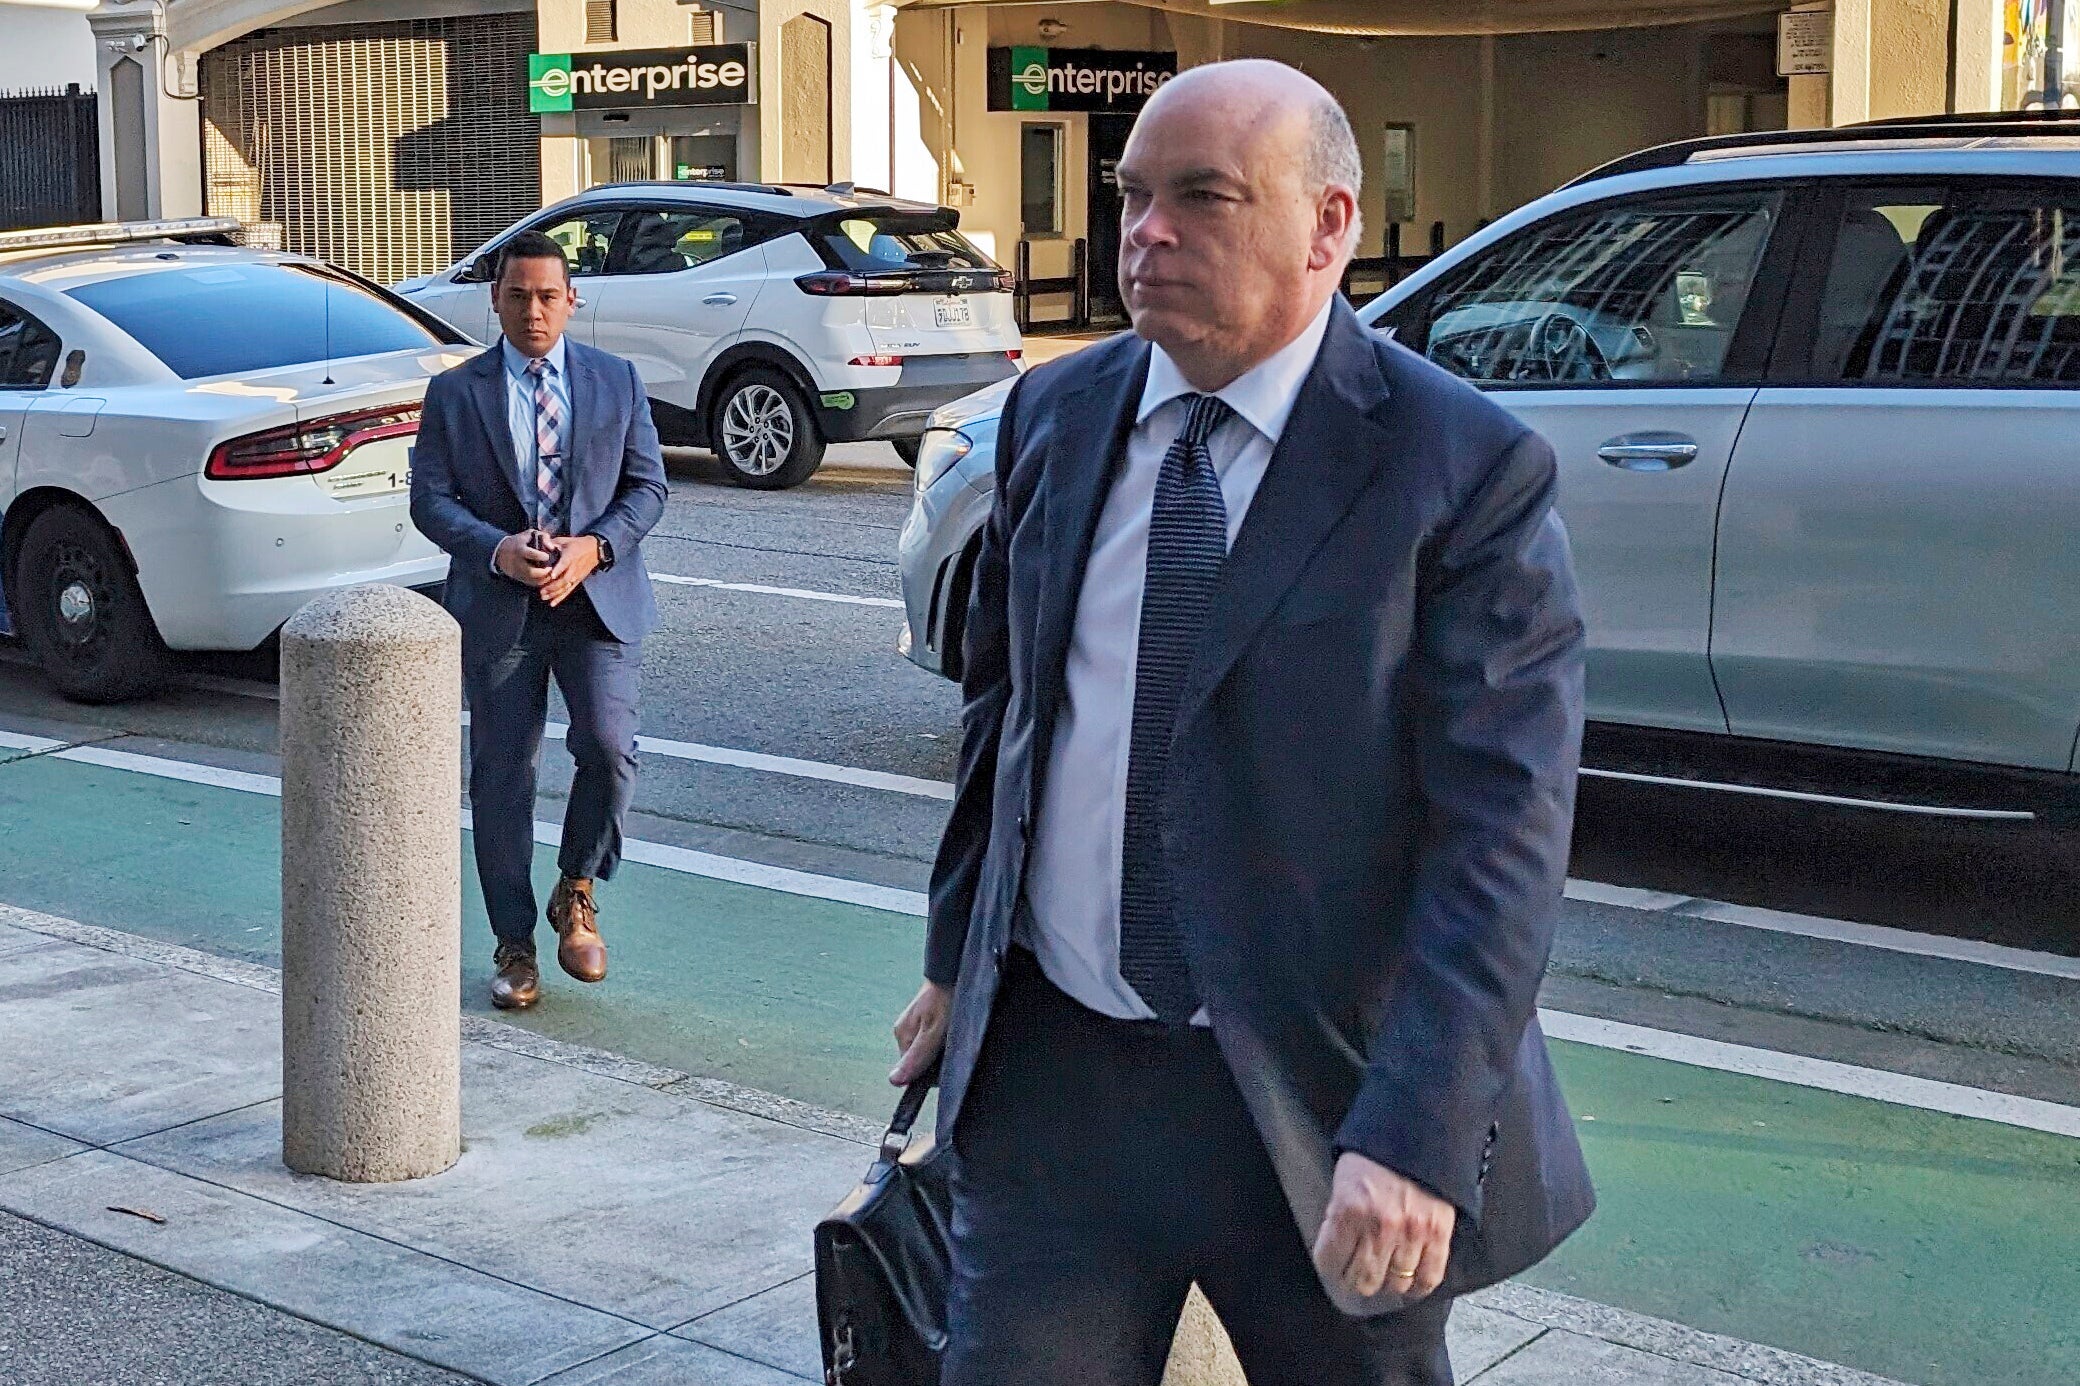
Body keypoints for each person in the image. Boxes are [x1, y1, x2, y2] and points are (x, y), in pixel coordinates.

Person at [888, 61, 1594, 1385]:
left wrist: (1416, 1135)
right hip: (1057, 1082)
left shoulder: (1460, 469)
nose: (1146, 233)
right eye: (1133, 196)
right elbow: (1010, 717)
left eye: (1202, 197)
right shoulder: (1056, 413)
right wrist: (956, 956)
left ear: (1331, 224)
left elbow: (1500, 842)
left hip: (1320, 1114)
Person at [410, 230, 668, 1011]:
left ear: (571, 301)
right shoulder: (457, 393)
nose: (533, 311)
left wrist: (595, 548)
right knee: (502, 776)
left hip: (594, 603)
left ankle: (577, 889)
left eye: (548, 297)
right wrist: (496, 550)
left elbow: (648, 488)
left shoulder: (615, 381)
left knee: (610, 748)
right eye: (518, 296)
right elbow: (430, 500)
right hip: (499, 610)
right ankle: (514, 943)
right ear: (495, 300)